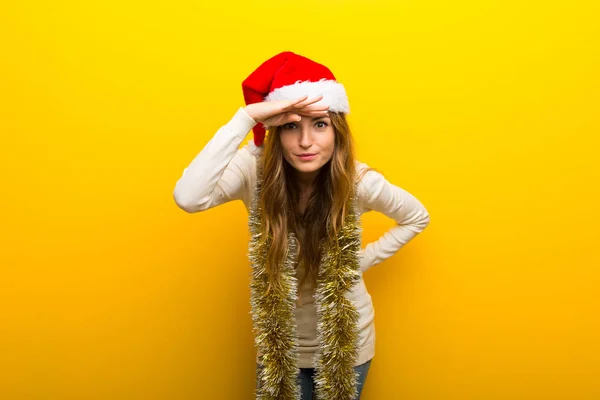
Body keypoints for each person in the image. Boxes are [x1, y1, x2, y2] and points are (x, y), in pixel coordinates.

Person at [173, 51, 431, 400]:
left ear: (337, 131)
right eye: (292, 126)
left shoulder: (357, 181)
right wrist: (245, 118)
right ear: (275, 131)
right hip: (279, 344)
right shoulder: (253, 169)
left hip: (346, 346)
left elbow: (417, 216)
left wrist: (358, 262)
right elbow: (189, 197)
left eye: (320, 124)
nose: (306, 141)